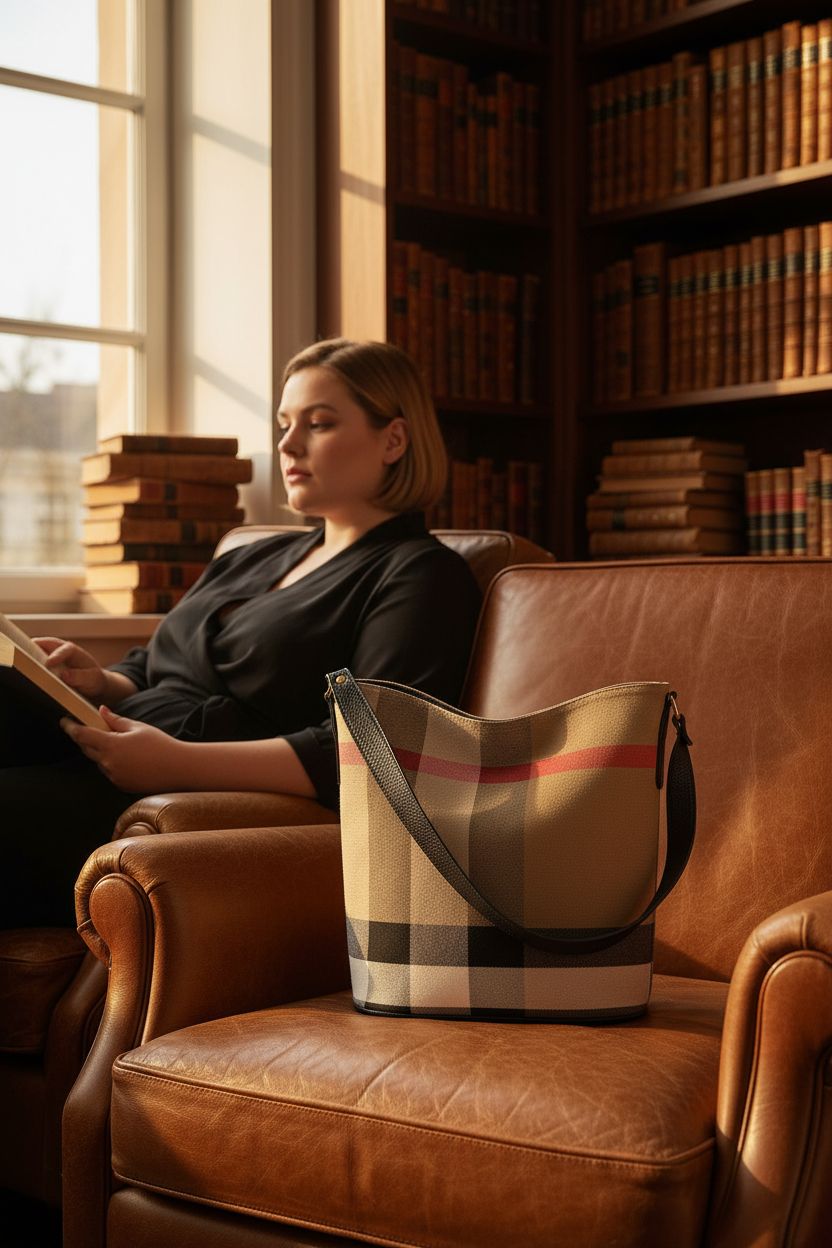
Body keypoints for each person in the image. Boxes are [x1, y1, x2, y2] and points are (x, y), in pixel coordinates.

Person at [1, 338, 482, 928]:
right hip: (106, 743)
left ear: (394, 440)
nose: (288, 444)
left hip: (173, 792)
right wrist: (100, 679)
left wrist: (178, 763)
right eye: (284, 423)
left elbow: (368, 748)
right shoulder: (254, 554)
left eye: (320, 423)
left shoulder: (421, 574)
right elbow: (153, 663)